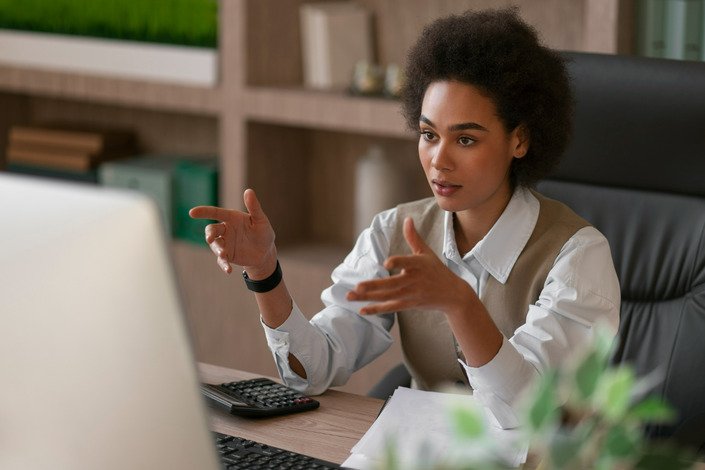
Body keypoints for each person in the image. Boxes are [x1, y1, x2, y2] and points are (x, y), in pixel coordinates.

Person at [189, 8, 620, 429]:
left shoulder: (578, 255)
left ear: (520, 139)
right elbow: (313, 372)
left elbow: (527, 412)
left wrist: (460, 302)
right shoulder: (393, 231)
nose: (438, 161)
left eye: (465, 139)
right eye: (429, 135)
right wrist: (265, 272)